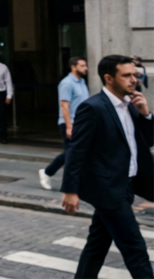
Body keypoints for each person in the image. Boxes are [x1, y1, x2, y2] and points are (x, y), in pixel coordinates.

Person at [62, 55, 154, 279]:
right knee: (135, 248)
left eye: (135, 75)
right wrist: (71, 190)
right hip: (108, 190)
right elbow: (76, 151)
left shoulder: (132, 104)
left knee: (97, 244)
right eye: (126, 75)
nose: (133, 80)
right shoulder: (93, 108)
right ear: (109, 78)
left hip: (127, 185)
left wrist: (146, 114)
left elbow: (148, 142)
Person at [39, 56, 89, 190]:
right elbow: (64, 105)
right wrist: (69, 126)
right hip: (71, 122)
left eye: (86, 65)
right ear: (73, 67)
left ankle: (74, 180)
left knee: (75, 152)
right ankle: (48, 172)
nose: (86, 68)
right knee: (71, 152)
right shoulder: (67, 83)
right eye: (82, 66)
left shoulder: (82, 82)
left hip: (81, 123)